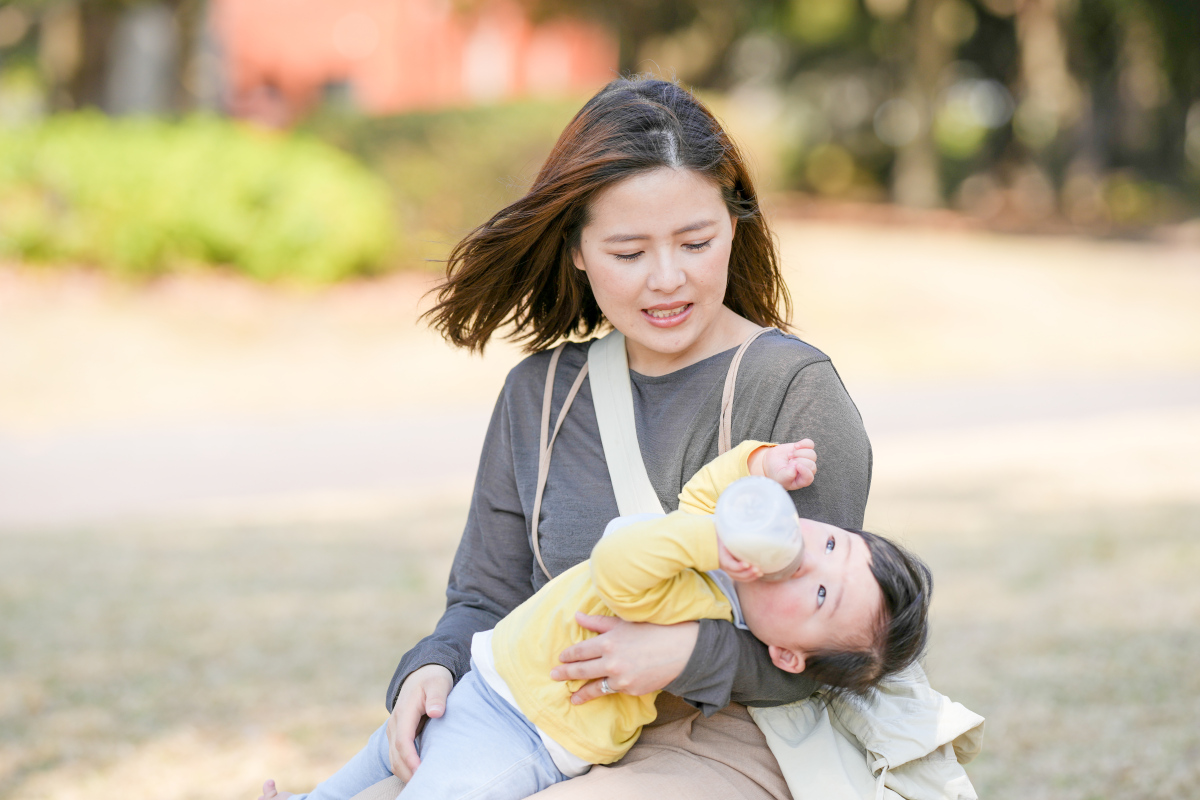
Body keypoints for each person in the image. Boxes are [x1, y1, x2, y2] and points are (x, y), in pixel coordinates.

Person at [274, 75, 879, 800]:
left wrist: (681, 653)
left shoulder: (793, 390)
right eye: (628, 252)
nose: (667, 279)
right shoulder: (540, 395)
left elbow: (831, 640)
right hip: (539, 721)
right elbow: (486, 593)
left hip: (729, 735)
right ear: (578, 251)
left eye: (695, 241)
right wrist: (432, 666)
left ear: (735, 224)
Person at [261, 440, 930, 800]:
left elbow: (620, 557)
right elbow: (704, 492)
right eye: (835, 545)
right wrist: (757, 465)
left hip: (524, 738)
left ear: (786, 656)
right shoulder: (715, 553)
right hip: (490, 686)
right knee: (370, 762)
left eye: (822, 597)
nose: (813, 560)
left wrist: (710, 542)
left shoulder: (699, 597)